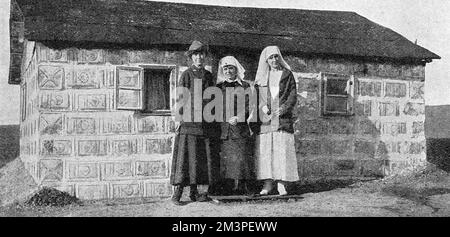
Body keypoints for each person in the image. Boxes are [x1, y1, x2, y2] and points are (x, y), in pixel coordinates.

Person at [170, 40, 218, 205]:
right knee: (185, 158)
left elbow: (214, 99)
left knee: (199, 158)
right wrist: (178, 118)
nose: (199, 58)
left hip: (204, 124)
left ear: (205, 56)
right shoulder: (186, 75)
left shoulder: (209, 76)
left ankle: (195, 193)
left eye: (201, 54)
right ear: (191, 57)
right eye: (195, 55)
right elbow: (179, 98)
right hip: (188, 123)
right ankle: (177, 193)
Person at [253, 46, 299, 196]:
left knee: (281, 151)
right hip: (267, 120)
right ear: (266, 60)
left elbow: (293, 94)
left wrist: (284, 108)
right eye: (270, 58)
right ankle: (267, 183)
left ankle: (281, 184)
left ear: (279, 58)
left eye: (276, 57)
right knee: (267, 152)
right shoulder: (262, 77)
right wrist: (262, 107)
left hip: (282, 119)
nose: (274, 60)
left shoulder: (287, 74)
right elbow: (257, 96)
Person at [216, 56, 255, 195]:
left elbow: (250, 105)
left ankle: (244, 187)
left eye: (230, 68)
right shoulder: (219, 87)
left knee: (241, 157)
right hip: (224, 128)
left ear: (236, 69)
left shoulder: (244, 86)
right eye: (225, 68)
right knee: (227, 158)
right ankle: (228, 187)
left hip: (240, 128)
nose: (228, 71)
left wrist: (239, 117)